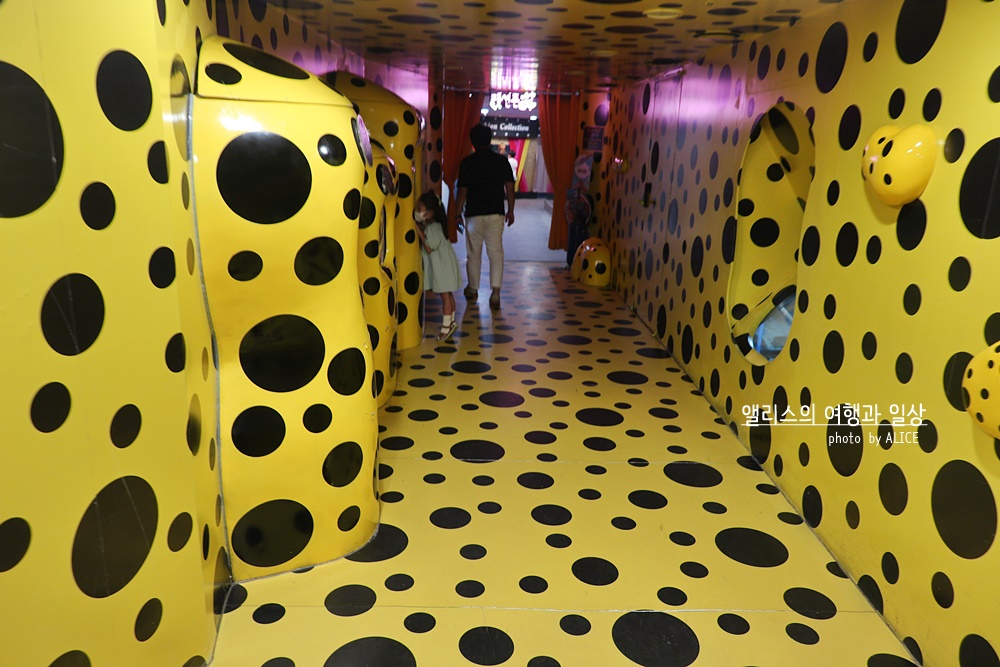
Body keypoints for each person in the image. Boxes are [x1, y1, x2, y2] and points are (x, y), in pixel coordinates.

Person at [455, 124, 515, 310]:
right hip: (496, 213)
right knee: (495, 252)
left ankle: (473, 288)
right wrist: (511, 210)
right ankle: (495, 293)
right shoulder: (501, 161)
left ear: (472, 142)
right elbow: (510, 187)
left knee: (474, 253)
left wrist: (457, 213)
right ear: (489, 140)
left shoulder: (467, 163)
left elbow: (462, 190)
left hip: (474, 214)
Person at [414, 192, 461, 340]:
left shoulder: (433, 228)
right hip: (446, 265)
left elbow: (429, 247)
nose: (417, 212)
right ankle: (451, 321)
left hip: (443, 268)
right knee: (448, 295)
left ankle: (446, 327)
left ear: (429, 213)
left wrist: (419, 232)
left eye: (419, 209)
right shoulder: (437, 226)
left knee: (445, 296)